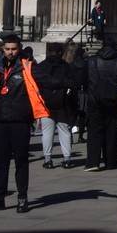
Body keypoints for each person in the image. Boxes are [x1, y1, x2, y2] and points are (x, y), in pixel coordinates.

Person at [0, 32, 47, 213]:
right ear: (2, 49)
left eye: (14, 49)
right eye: (7, 49)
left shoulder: (28, 66)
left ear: (19, 49)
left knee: (21, 161)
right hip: (0, 120)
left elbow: (47, 80)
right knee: (0, 162)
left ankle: (22, 197)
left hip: (20, 121)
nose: (10, 52)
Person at [85, 38, 117, 171]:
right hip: (113, 100)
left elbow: (84, 79)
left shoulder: (92, 61)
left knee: (94, 132)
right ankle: (111, 162)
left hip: (94, 100)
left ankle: (93, 162)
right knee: (112, 132)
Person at [36, 41, 77, 169]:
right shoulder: (66, 66)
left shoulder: (41, 66)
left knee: (47, 132)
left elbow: (37, 83)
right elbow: (72, 83)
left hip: (46, 103)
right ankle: (67, 159)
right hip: (63, 103)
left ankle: (48, 159)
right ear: (60, 53)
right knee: (64, 131)